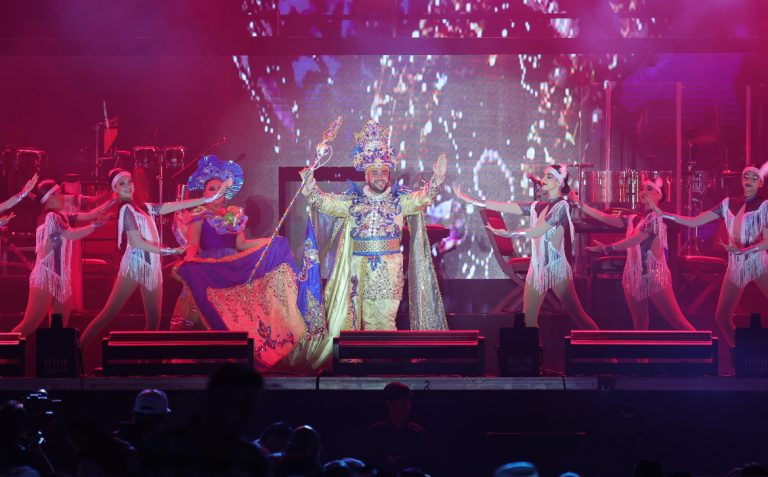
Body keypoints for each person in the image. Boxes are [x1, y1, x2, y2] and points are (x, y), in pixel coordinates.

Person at [300, 119, 448, 341]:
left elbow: (423, 197)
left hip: (389, 268)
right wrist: (310, 187)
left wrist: (437, 179)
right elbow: (326, 203)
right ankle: (367, 360)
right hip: (359, 269)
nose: (380, 176)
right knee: (366, 322)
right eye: (375, 172)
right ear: (366, 175)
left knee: (386, 320)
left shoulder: (400, 200)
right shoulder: (353, 201)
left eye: (384, 172)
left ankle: (387, 359)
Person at [171, 156, 323, 370]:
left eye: (219, 189)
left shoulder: (233, 214)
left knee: (231, 310)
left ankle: (230, 360)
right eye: (211, 189)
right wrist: (189, 260)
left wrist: (271, 242)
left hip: (232, 266)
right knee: (196, 308)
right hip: (209, 268)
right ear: (204, 193)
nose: (215, 193)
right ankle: (187, 363)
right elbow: (193, 245)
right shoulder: (199, 215)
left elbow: (241, 244)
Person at [78, 168, 231, 349]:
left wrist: (205, 199)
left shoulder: (143, 207)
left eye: (129, 181)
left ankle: (144, 363)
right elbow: (136, 242)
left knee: (153, 323)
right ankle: (77, 351)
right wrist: (168, 250)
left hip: (152, 267)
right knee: (108, 313)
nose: (128, 186)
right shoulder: (126, 209)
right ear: (115, 188)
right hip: (135, 265)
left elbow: (170, 206)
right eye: (122, 183)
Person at [457, 164, 599, 330]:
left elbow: (538, 231)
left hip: (556, 269)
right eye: (544, 176)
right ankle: (534, 348)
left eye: (549, 177)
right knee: (528, 318)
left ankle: (603, 346)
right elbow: (505, 206)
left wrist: (506, 233)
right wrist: (473, 201)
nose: (543, 179)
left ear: (559, 182)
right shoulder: (538, 207)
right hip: (537, 268)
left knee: (577, 314)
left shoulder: (562, 206)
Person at [649, 162, 768, 347]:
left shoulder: (764, 206)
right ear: (741, 180)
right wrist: (663, 214)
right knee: (722, 317)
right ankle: (739, 352)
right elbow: (695, 221)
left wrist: (744, 250)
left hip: (757, 262)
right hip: (736, 265)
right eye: (746, 176)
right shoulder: (728, 203)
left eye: (755, 178)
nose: (749, 181)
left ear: (760, 183)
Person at [574, 178, 695, 331]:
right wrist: (580, 205)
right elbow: (606, 218)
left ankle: (706, 346)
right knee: (639, 323)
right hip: (633, 276)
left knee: (677, 322)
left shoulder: (656, 218)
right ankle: (641, 349)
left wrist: (607, 249)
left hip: (654, 277)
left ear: (659, 195)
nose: (643, 191)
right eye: (642, 188)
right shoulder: (635, 219)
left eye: (649, 189)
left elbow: (635, 240)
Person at [12, 180, 113, 337]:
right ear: (50, 198)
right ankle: (5, 349)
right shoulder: (51, 217)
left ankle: (53, 353)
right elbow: (71, 234)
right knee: (29, 324)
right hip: (46, 277)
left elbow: (90, 215)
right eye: (59, 193)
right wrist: (96, 225)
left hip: (60, 279)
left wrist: (112, 201)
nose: (63, 197)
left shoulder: (61, 216)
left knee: (59, 327)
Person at [360, 382, 431, 475]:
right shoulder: (373, 434)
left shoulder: (418, 434)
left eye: (408, 401)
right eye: (402, 401)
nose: (407, 406)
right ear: (389, 403)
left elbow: (426, 467)